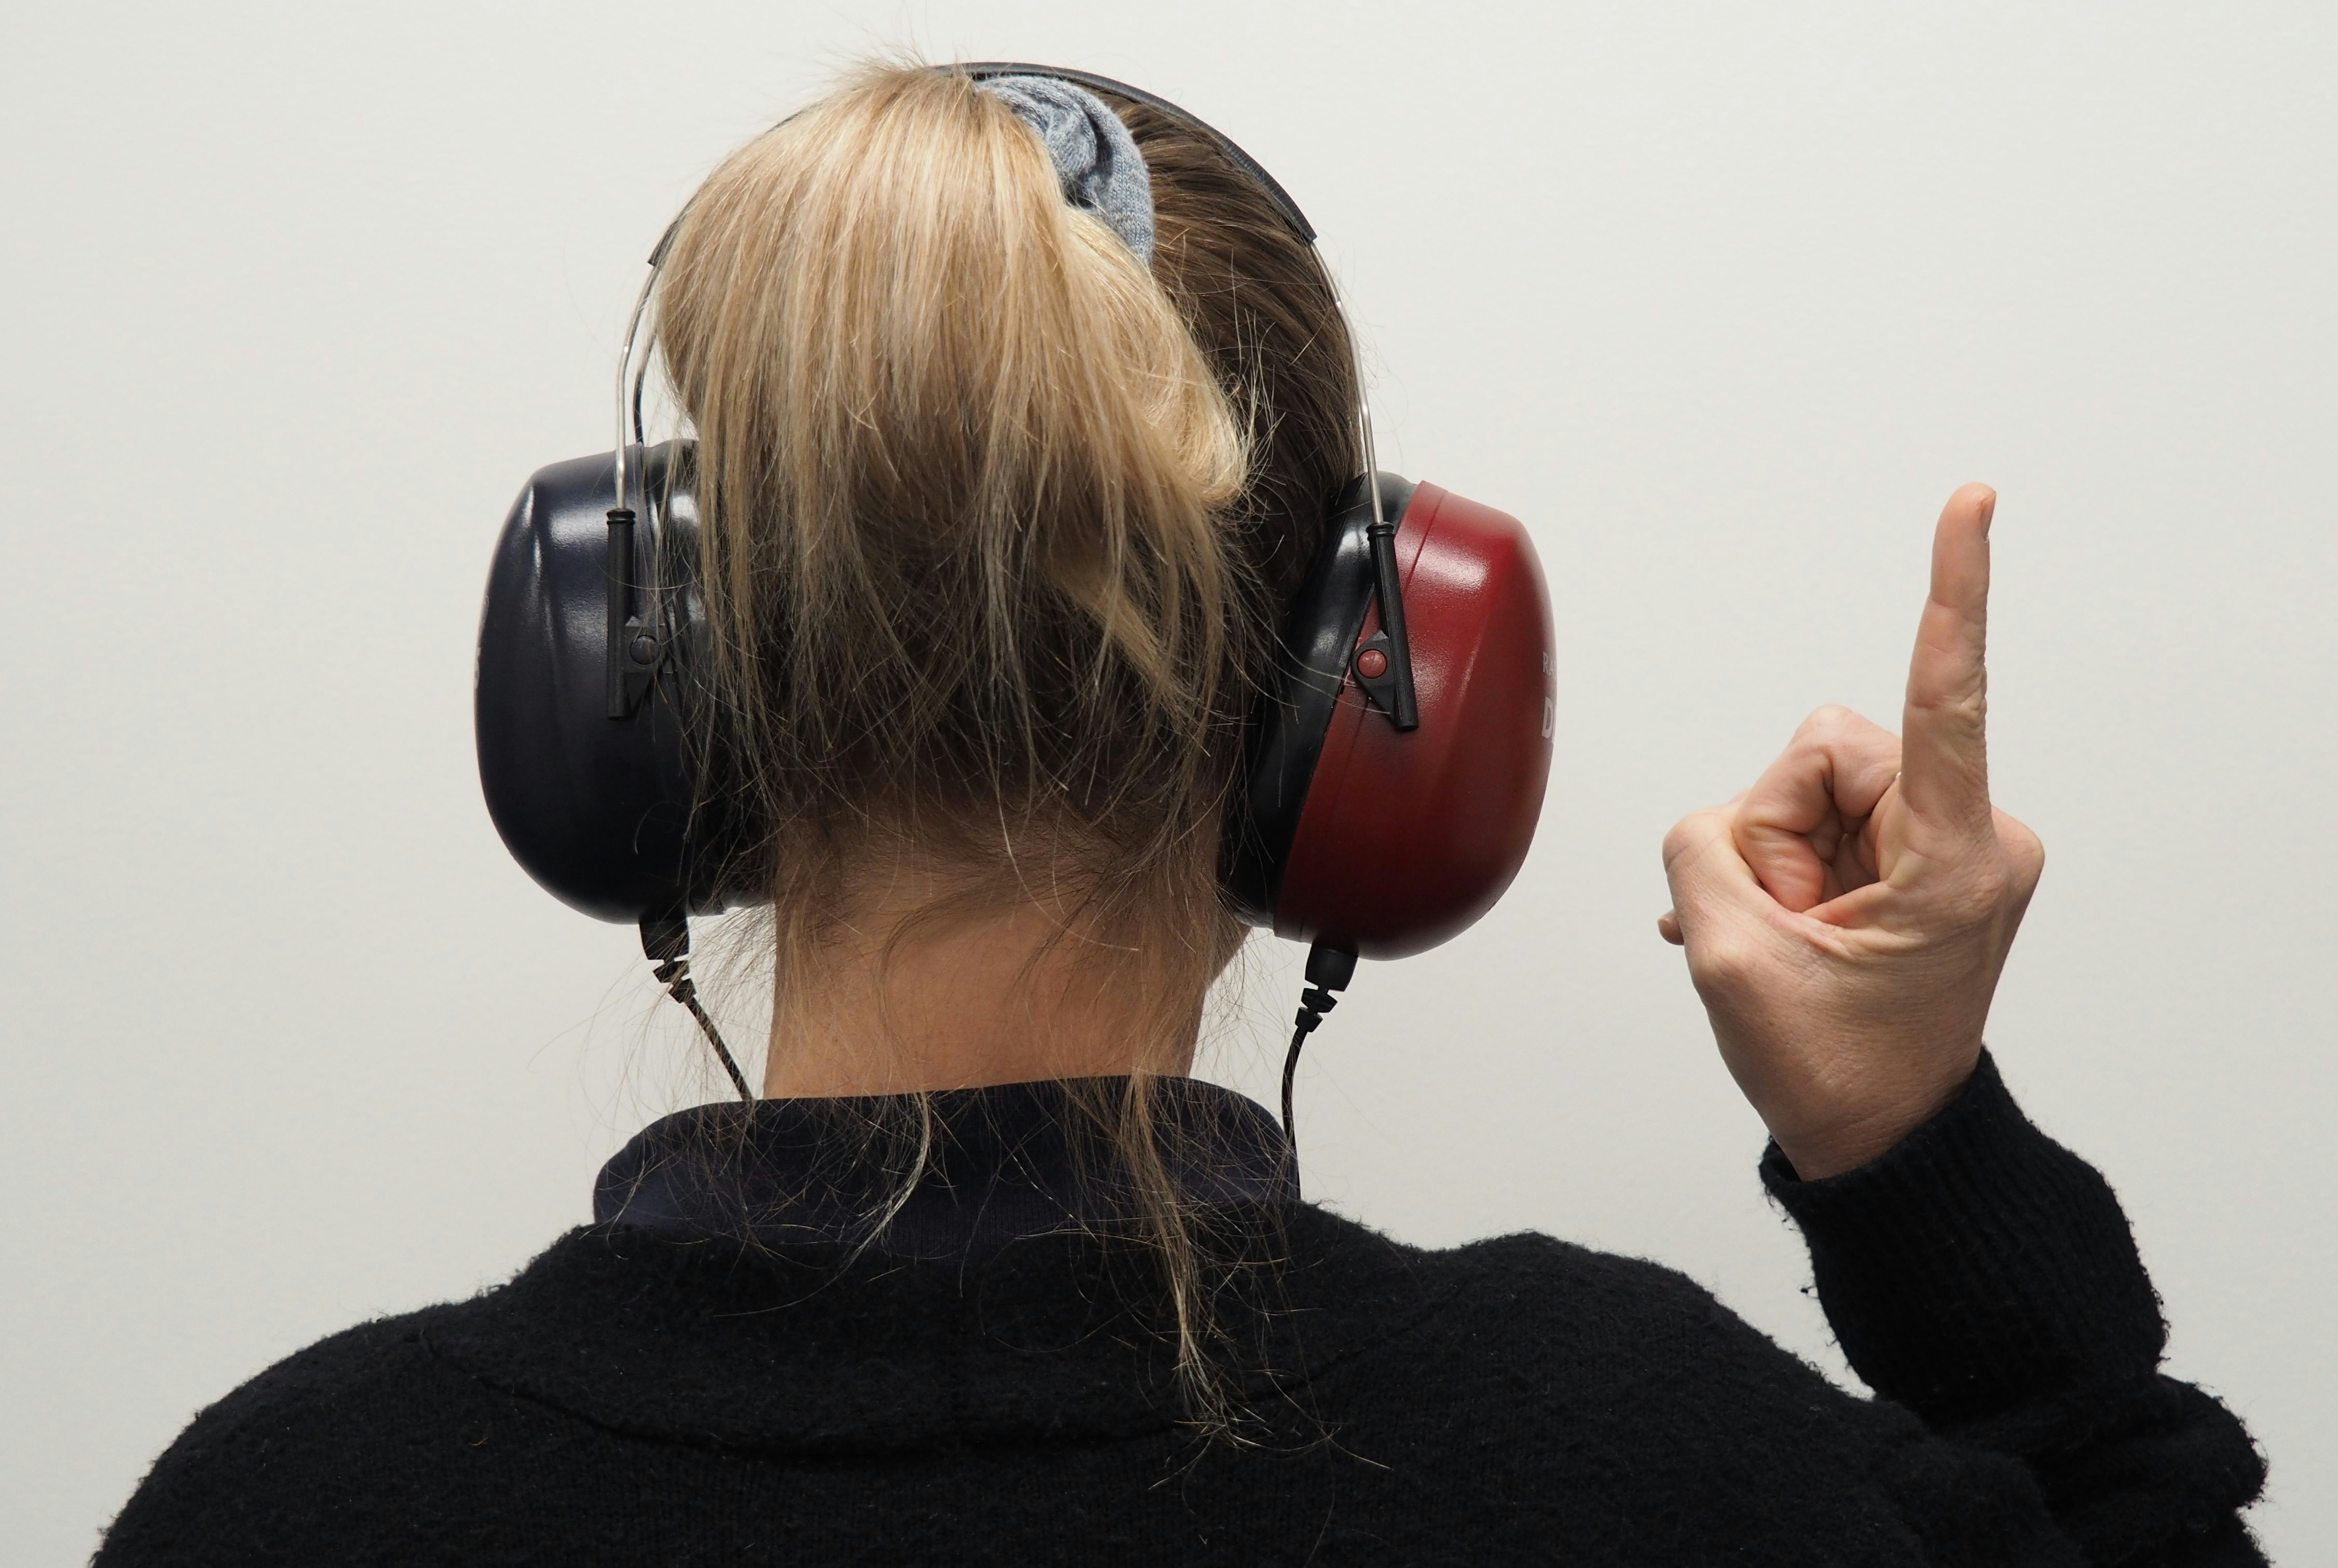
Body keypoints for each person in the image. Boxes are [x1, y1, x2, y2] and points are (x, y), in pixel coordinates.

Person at [95, 62, 2265, 1565]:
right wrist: (1915, 1156)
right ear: (1371, 693)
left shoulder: (283, 1513)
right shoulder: (1674, 1473)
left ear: (644, 678)